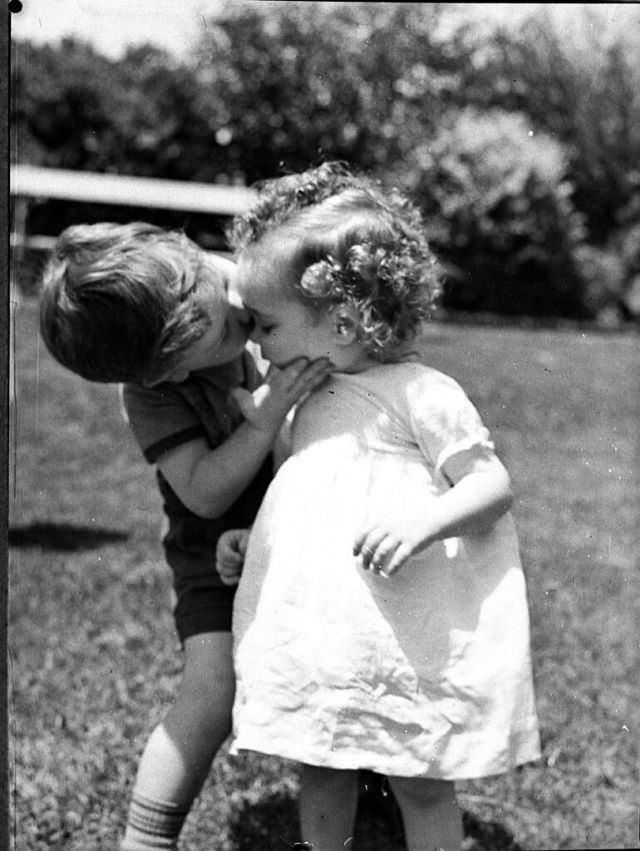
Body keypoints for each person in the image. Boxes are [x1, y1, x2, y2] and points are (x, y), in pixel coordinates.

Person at [216, 163, 541, 851]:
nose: (255, 342)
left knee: (419, 772)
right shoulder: (305, 403)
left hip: (400, 632)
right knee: (322, 756)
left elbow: (490, 485)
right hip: (329, 633)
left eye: (266, 324)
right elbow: (301, 494)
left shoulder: (423, 391)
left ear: (338, 321)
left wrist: (425, 520)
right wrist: (255, 538)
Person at [38, 221, 332, 851]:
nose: (234, 309)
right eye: (215, 332)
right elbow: (203, 491)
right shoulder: (153, 398)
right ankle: (146, 839)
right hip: (215, 544)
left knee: (339, 659)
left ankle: (376, 783)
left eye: (211, 278)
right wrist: (265, 420)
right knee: (214, 688)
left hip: (311, 518)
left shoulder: (246, 284)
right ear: (163, 375)